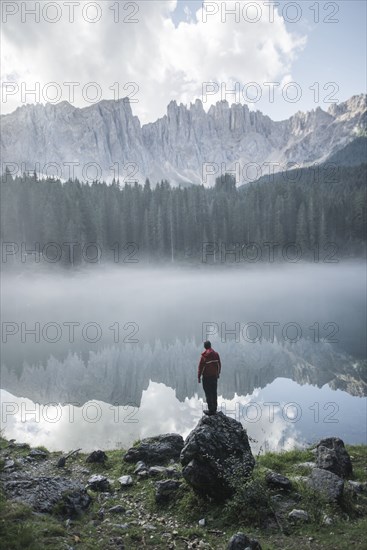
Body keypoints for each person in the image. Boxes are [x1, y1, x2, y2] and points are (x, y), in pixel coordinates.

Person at [198, 340, 221, 415]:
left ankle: (211, 410)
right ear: (210, 346)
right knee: (214, 392)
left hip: (206, 378)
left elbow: (200, 368)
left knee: (208, 393)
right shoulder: (216, 354)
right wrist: (218, 373)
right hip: (214, 377)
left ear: (205, 347)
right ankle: (214, 409)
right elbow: (219, 365)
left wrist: (199, 377)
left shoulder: (204, 356)